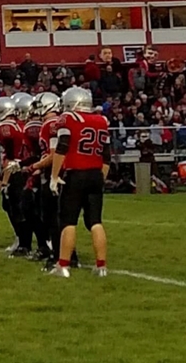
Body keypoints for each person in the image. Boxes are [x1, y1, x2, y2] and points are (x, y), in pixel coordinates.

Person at [48, 87, 110, 278]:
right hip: (96, 174)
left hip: (75, 174)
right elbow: (106, 157)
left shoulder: (69, 118)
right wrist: (101, 178)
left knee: (68, 221)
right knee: (95, 221)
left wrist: (54, 176)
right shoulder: (102, 120)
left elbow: (62, 148)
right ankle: (101, 267)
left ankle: (63, 265)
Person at [27, 92, 80, 271]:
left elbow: (54, 154)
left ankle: (61, 256)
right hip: (62, 173)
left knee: (54, 219)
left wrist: (35, 166)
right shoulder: (55, 122)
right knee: (59, 218)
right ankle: (69, 255)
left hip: (56, 174)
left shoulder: (51, 124)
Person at [0, 96, 30, 256]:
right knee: (26, 207)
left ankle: (23, 241)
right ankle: (32, 241)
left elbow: (12, 155)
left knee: (13, 205)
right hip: (29, 166)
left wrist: (5, 180)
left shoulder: (6, 127)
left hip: (17, 168)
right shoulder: (22, 125)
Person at [16, 94, 51, 262]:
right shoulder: (40, 125)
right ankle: (45, 245)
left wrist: (33, 167)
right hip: (39, 169)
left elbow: (42, 153)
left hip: (43, 171)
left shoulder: (35, 127)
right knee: (32, 208)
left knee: (37, 211)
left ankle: (47, 246)